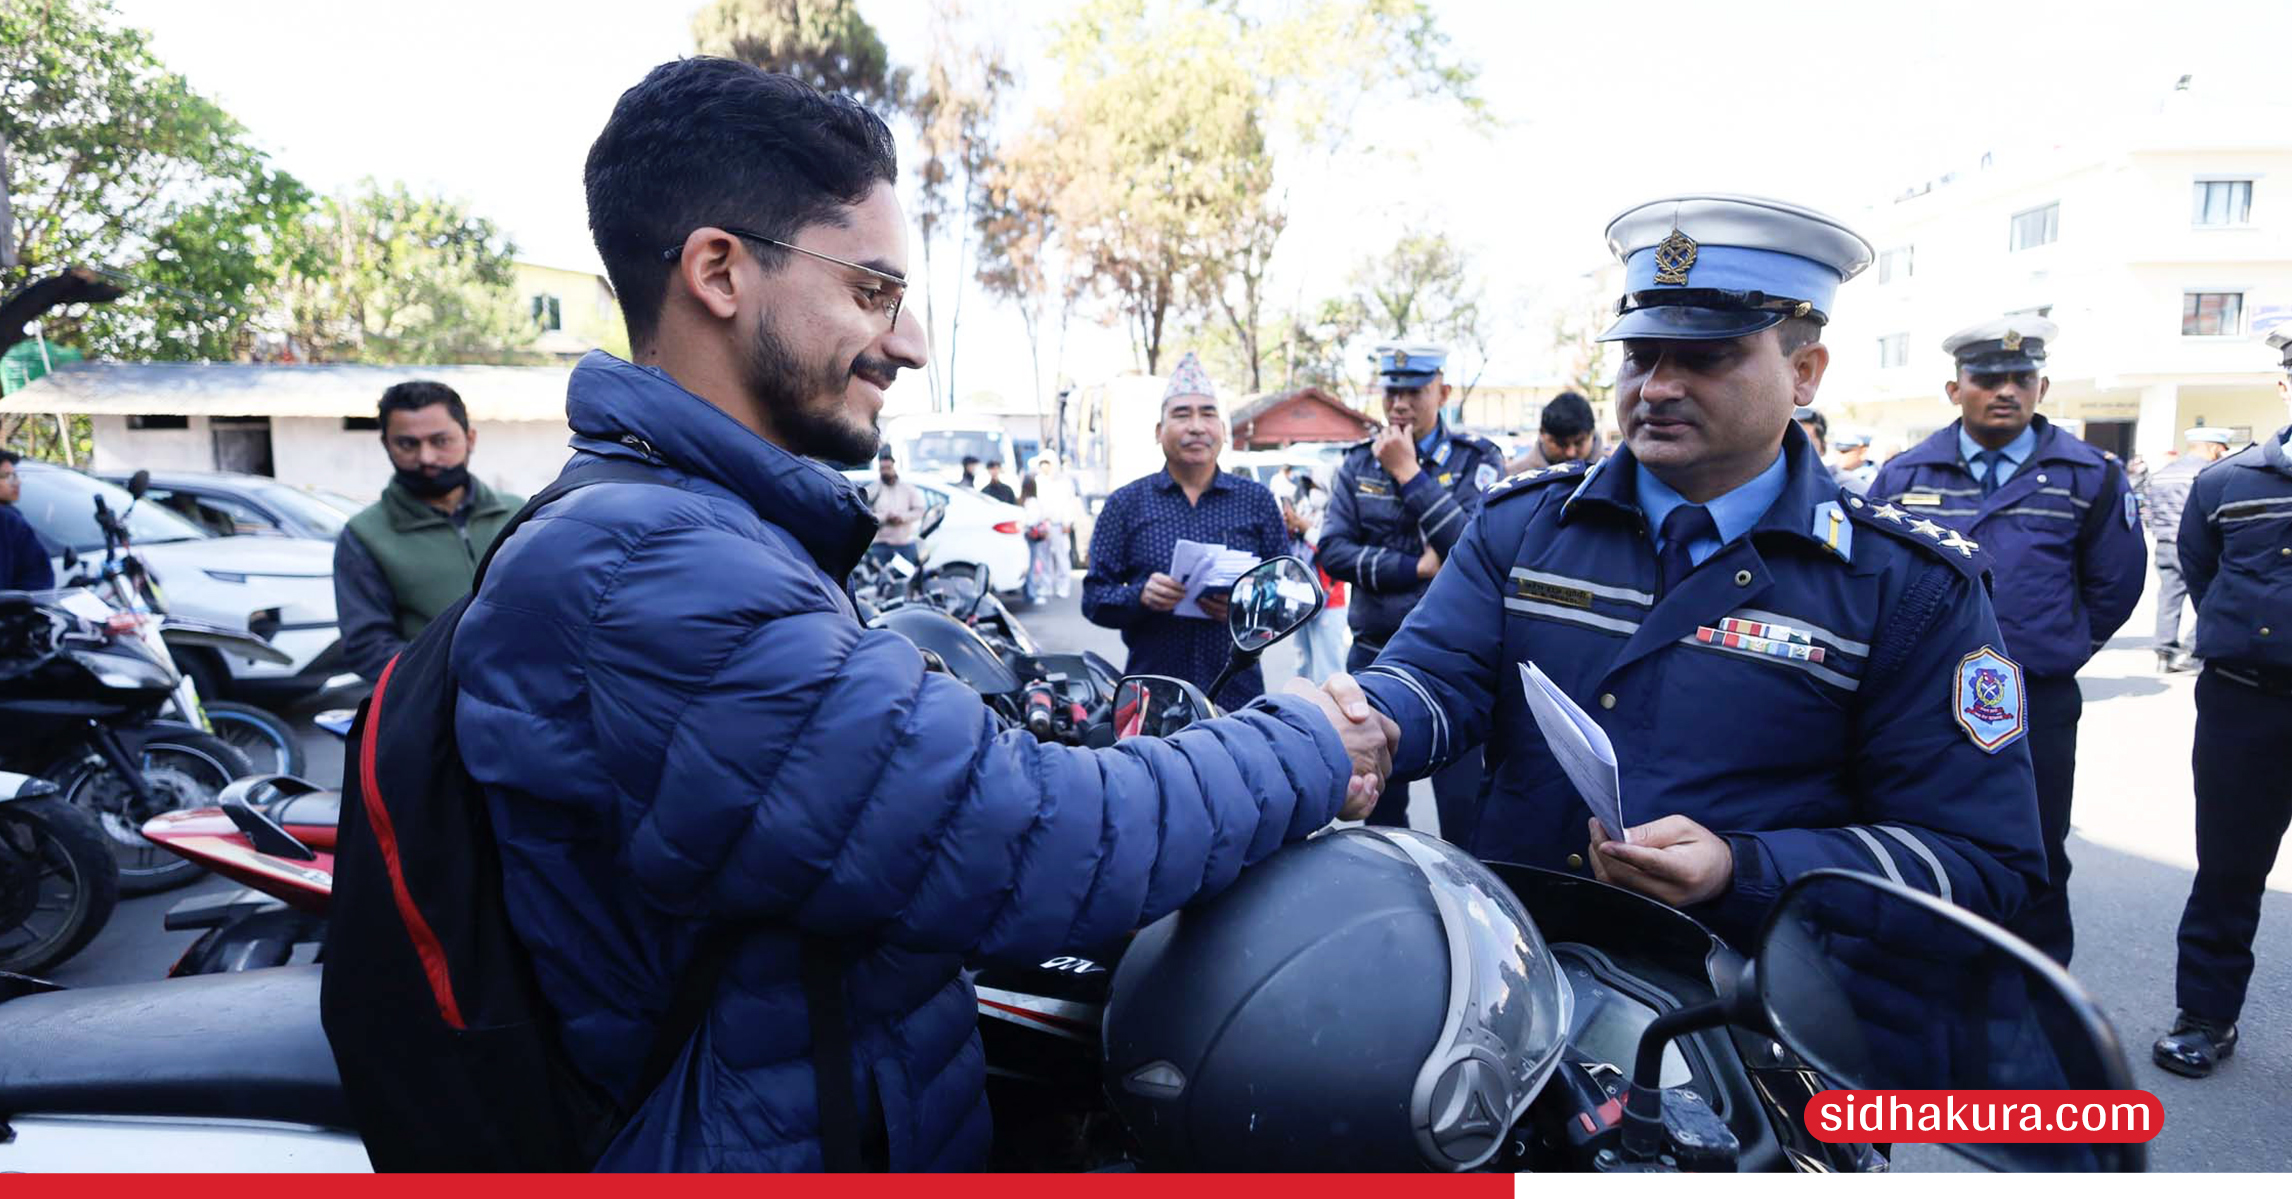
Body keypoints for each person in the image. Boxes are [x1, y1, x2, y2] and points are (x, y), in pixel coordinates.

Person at [447, 60, 1393, 1172]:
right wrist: (1308, 744)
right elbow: (1029, 837)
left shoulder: (696, 526)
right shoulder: (653, 566)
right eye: (872, 291)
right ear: (719, 271)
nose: (909, 344)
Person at [1322, 194, 2045, 945]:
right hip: (1516, 975)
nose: (1658, 386)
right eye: (1640, 354)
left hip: (1744, 1015)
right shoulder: (1524, 525)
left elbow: (1980, 859)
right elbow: (1437, 674)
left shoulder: (1910, 585)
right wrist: (1371, 723)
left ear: (1804, 373)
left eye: (1706, 355)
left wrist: (1746, 868)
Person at [1864, 316, 2146, 966]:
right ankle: (1926, 988)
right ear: (1954, 387)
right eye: (1988, 377)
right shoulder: (1905, 474)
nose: (2006, 390)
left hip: (2034, 701)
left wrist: (2059, 646)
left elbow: (2116, 585)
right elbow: (1872, 580)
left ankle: (2036, 1001)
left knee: (2035, 848)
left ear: (2041, 385)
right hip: (1918, 701)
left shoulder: (2090, 475)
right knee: (1914, 840)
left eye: (2021, 378)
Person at [2153, 329, 2292, 1079]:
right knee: (2230, 870)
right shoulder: (2227, 482)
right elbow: (2203, 579)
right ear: (2285, 385)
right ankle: (2206, 1016)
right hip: (2248, 705)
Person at [1316, 343, 1507, 840]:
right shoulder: (1358, 464)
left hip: (1457, 669)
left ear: (1442, 392)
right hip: (1373, 659)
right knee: (1376, 817)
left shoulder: (1477, 460)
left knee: (1465, 816)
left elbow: (1473, 548)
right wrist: (1413, 568)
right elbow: (1333, 552)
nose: (1399, 403)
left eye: (1414, 391)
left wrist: (1409, 473)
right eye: (1392, 390)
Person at [1082, 351, 1292, 711]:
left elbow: (1288, 595)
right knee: (1150, 769)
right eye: (1182, 414)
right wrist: (1140, 597)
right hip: (1151, 696)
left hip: (1237, 695)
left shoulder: (1256, 501)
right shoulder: (1125, 504)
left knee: (1238, 769)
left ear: (1223, 432)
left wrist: (1245, 609)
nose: (1196, 426)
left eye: (1208, 414)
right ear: (1158, 432)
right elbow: (1094, 599)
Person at [335, 381, 523, 683]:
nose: (426, 457)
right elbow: (367, 647)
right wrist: (458, 679)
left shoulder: (521, 516)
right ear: (386, 445)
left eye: (441, 441)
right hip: (433, 715)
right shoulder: (364, 536)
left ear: (470, 439)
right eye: (407, 444)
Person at [2143, 427, 2235, 672]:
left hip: (2164, 543)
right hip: (2197, 546)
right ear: (2213, 447)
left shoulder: (2161, 473)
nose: (2222, 454)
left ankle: (2165, 653)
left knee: (2169, 596)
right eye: (2221, 449)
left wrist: (2161, 533)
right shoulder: (2210, 474)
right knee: (2209, 597)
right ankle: (2193, 652)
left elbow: (2148, 511)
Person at [1504, 390, 1601, 474]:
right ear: (1542, 433)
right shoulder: (1511, 479)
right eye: (1561, 444)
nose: (1570, 453)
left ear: (1592, 434)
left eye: (1579, 443)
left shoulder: (1613, 475)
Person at [0, 450, 56, 592]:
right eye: (7, 476)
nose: (17, 482)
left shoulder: (11, 520)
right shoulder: (8, 520)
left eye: (15, 475)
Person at [866, 444, 925, 567]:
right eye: (883, 468)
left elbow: (919, 511)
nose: (886, 471)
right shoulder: (873, 489)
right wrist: (885, 517)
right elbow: (865, 514)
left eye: (888, 468)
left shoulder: (907, 488)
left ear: (894, 467)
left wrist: (902, 517)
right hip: (880, 545)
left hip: (904, 545)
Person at [1030, 453, 1080, 598]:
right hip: (1042, 526)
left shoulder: (1065, 482)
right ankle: (1046, 585)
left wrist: (1067, 521)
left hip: (1059, 525)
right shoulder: (1038, 481)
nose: (1045, 466)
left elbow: (1069, 504)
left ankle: (1063, 586)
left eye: (1048, 462)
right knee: (1043, 556)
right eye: (1042, 463)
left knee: (1061, 556)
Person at [1019, 474, 1059, 603]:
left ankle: (1029, 592)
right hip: (1032, 535)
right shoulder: (1033, 502)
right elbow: (1034, 519)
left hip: (1024, 534)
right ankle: (1031, 594)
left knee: (1027, 565)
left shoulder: (1021, 500)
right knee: (1031, 565)